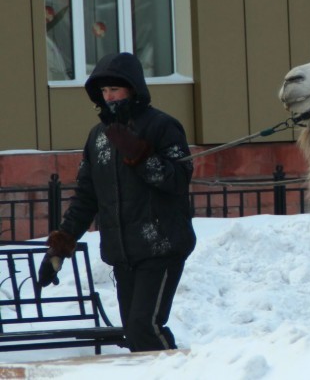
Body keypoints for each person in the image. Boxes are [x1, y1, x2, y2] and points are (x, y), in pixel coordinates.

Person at [38, 52, 196, 352]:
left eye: (115, 90)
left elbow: (177, 180)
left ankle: (178, 372)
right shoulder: (98, 137)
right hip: (123, 253)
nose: (109, 97)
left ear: (133, 89)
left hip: (161, 245)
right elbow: (86, 197)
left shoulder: (162, 126)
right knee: (135, 334)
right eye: (104, 91)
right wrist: (59, 248)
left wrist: (138, 153)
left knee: (144, 325)